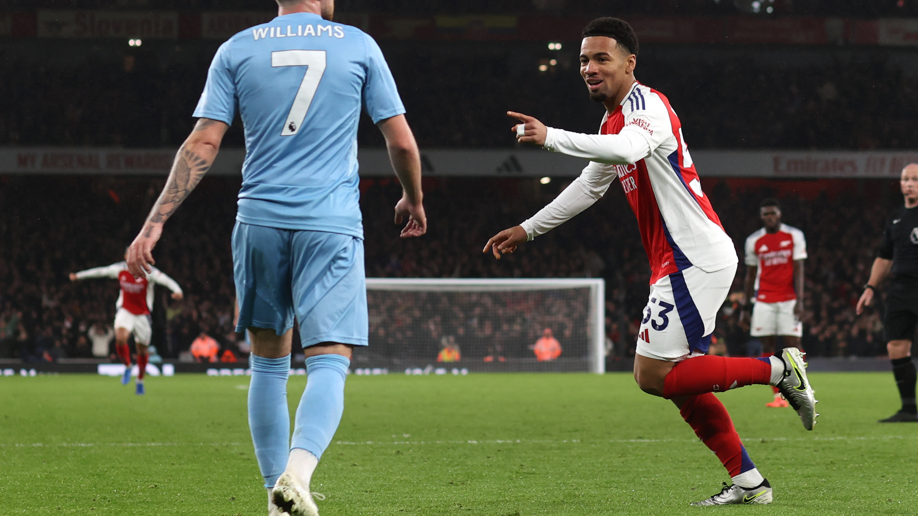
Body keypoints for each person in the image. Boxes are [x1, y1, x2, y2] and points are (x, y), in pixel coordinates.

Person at [483, 17, 817, 506]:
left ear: (628, 63)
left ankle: (780, 369)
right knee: (680, 384)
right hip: (677, 261)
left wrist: (552, 136)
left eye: (601, 58)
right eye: (583, 60)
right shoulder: (610, 121)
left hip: (693, 257)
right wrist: (529, 228)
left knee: (650, 375)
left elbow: (630, 149)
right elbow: (591, 185)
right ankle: (750, 483)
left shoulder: (648, 106)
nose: (589, 68)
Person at [125, 1, 426, 514]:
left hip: (259, 220)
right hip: (328, 223)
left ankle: (274, 496)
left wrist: (154, 223)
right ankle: (298, 473)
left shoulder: (237, 48)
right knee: (330, 359)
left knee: (268, 363)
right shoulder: (357, 44)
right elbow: (400, 142)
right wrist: (412, 198)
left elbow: (203, 141)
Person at [856, 163, 918, 423]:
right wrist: (870, 287)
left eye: (915, 179)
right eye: (906, 179)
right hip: (901, 289)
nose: (910, 183)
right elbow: (884, 257)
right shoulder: (896, 218)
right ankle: (908, 409)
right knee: (896, 346)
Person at [70, 253, 183, 395]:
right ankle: (128, 366)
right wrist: (79, 276)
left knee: (142, 351)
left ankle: (140, 381)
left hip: (142, 315)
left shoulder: (149, 272)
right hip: (126, 312)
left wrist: (177, 290)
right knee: (120, 339)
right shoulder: (120, 269)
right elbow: (100, 271)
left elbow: (166, 280)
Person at [741, 198, 807, 408]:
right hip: (764, 299)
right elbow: (750, 276)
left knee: (793, 344)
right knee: (767, 345)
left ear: (779, 214)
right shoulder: (754, 241)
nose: (770, 217)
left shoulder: (794, 235)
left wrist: (800, 300)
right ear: (761, 217)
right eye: (766, 214)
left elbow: (799, 270)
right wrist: (745, 306)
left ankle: (800, 389)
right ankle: (778, 396)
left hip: (788, 299)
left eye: (773, 213)